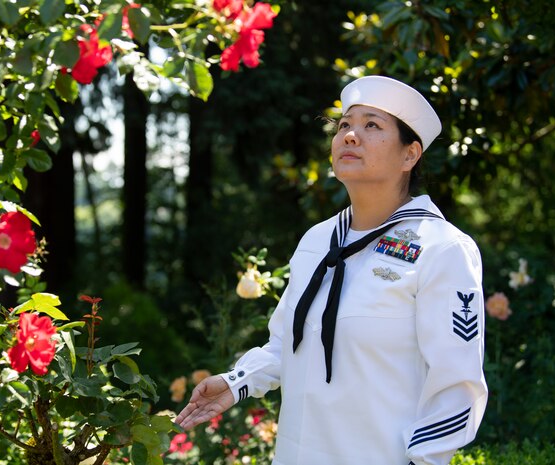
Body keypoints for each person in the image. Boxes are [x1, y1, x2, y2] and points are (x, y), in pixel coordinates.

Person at [176, 75, 488, 465]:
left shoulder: (441, 248)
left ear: (410, 155)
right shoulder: (317, 241)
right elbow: (286, 343)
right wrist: (236, 383)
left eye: (371, 125)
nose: (350, 135)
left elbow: (458, 386)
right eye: (344, 125)